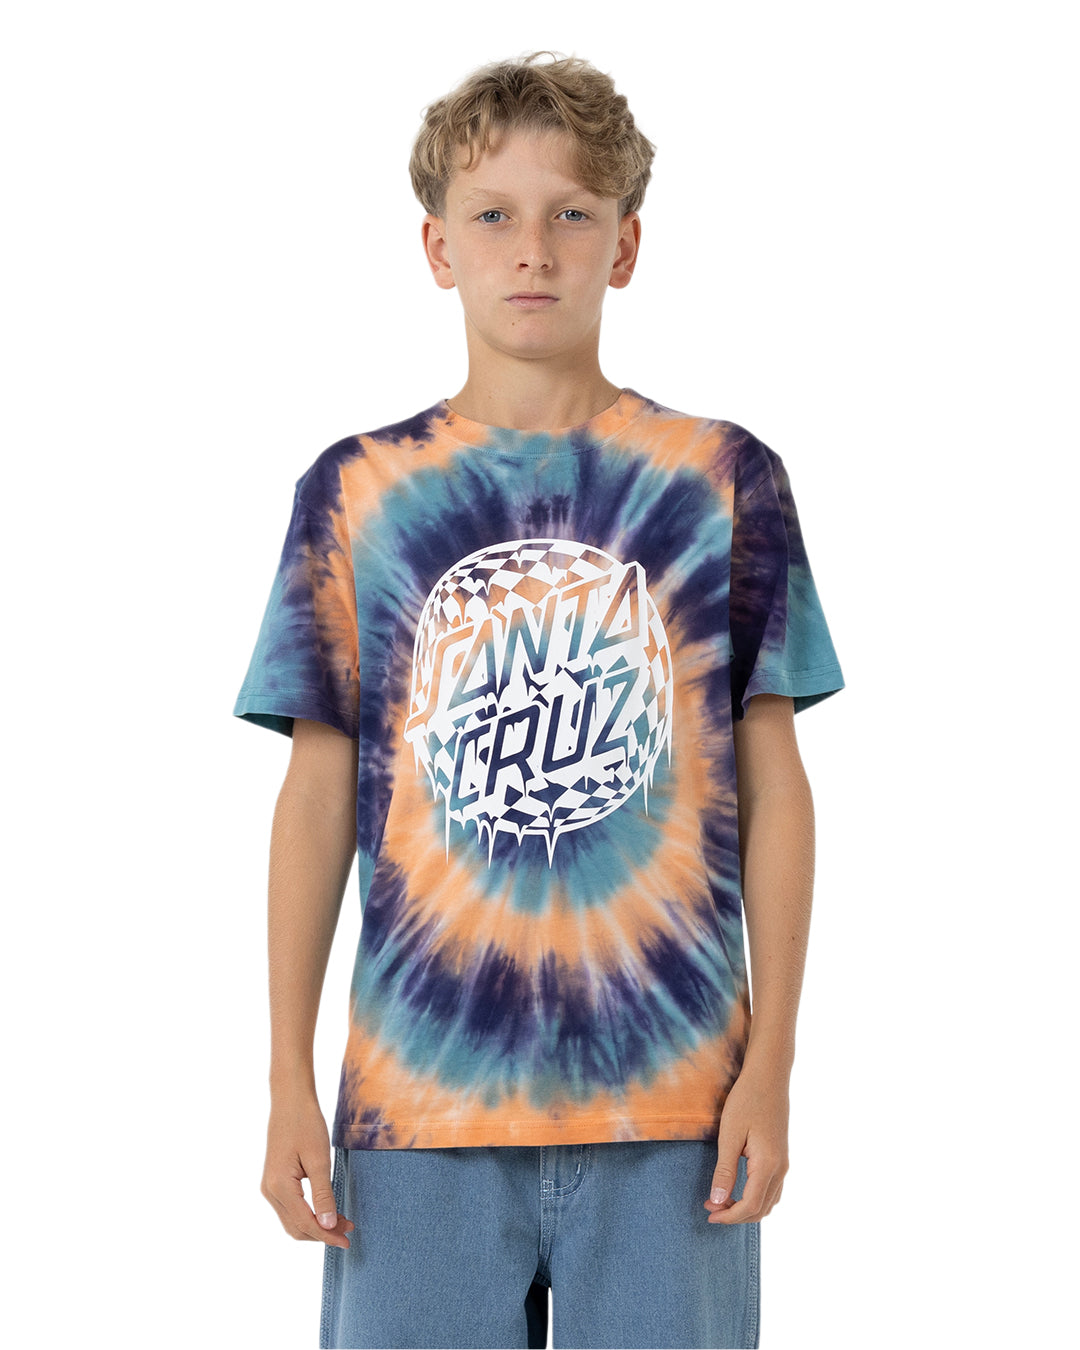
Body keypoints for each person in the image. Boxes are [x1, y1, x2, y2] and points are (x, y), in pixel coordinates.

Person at [233, 51, 845, 1350]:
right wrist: (287, 1073)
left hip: (676, 1109)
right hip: (419, 1108)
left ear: (625, 245)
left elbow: (775, 779)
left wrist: (774, 1062)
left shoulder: (721, 479)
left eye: (571, 212)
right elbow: (317, 795)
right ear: (436, 246)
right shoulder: (356, 493)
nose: (532, 248)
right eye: (493, 214)